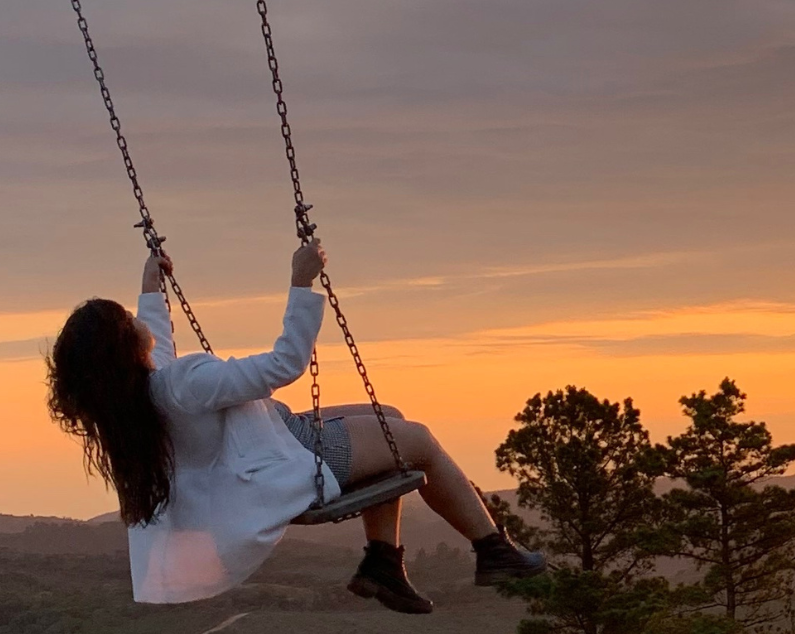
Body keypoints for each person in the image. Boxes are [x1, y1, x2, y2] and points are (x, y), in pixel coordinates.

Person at [45, 239, 542, 613]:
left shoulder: (130, 403)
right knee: (419, 442)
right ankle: (493, 550)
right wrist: (301, 284)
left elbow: (162, 360)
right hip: (289, 453)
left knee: (388, 418)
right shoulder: (188, 382)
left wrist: (150, 288)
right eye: (131, 318)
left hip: (270, 439)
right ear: (126, 346)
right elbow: (285, 363)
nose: (140, 320)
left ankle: (383, 563)